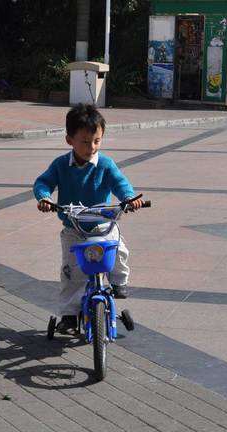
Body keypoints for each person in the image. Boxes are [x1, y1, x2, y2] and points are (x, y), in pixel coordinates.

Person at [34, 103, 144, 334]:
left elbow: (120, 182)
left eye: (97, 141)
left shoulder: (105, 164)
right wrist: (44, 197)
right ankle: (70, 315)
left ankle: (118, 283)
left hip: (104, 225)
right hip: (74, 228)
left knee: (119, 251)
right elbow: (43, 182)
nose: (91, 147)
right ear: (69, 140)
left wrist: (129, 197)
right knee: (71, 274)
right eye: (85, 142)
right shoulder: (61, 165)